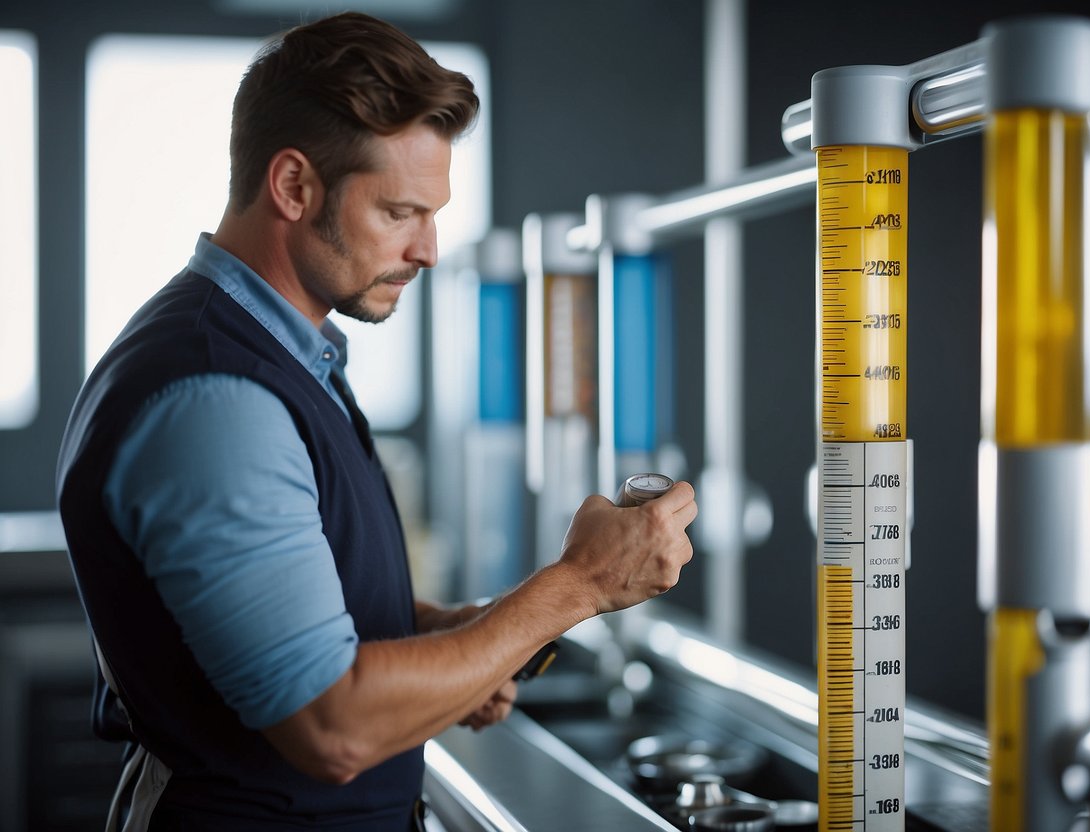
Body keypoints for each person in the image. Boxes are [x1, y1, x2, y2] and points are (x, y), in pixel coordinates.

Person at [56, 12, 697, 831]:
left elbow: (294, 624)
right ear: (292, 186)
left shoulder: (287, 354)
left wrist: (472, 638)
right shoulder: (216, 397)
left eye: (433, 213)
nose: (429, 249)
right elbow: (331, 726)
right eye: (400, 212)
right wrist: (578, 585)